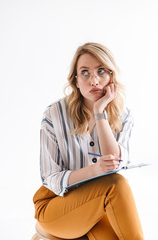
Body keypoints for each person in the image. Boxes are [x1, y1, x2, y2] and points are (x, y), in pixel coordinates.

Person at [33, 42, 144, 240]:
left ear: (111, 77)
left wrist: (100, 113)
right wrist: (95, 170)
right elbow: (51, 179)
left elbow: (115, 161)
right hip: (54, 206)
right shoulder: (54, 115)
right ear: (75, 80)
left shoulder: (123, 116)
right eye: (85, 72)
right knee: (115, 183)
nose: (94, 80)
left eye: (101, 71)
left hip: (98, 209)